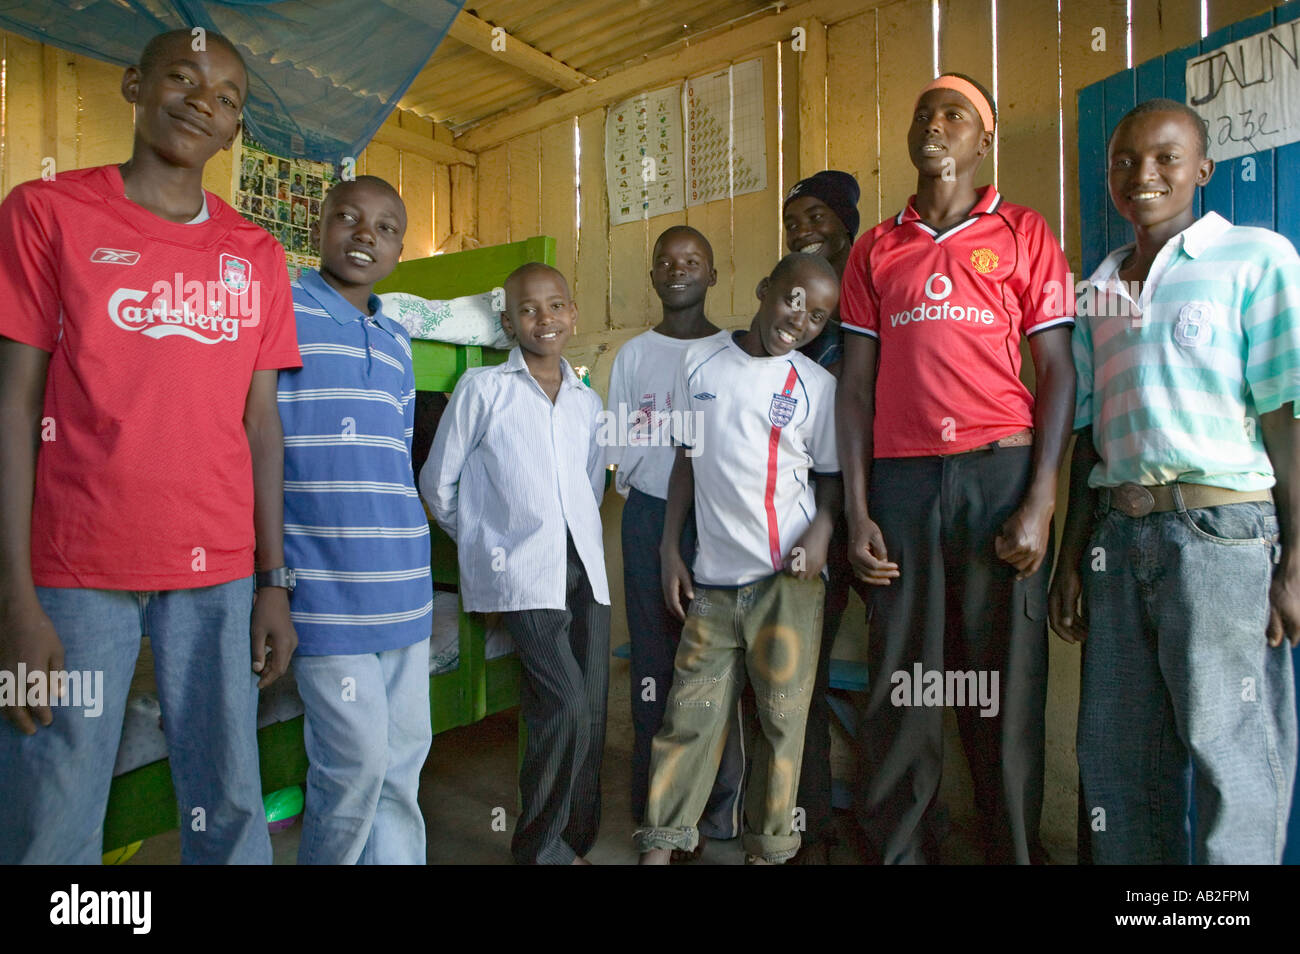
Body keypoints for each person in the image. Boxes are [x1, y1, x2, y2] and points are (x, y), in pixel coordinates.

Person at [0, 29, 301, 864]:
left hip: (219, 567)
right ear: (134, 86)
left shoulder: (256, 254)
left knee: (232, 793)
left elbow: (261, 427)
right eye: (183, 77)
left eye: (229, 98)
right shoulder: (45, 212)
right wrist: (14, 599)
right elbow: (14, 405)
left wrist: (272, 581)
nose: (205, 101)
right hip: (72, 567)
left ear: (236, 132)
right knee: (50, 797)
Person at [1049, 98, 1300, 864]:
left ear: (1202, 170)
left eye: (1165, 158)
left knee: (1232, 754)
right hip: (1118, 542)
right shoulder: (1095, 288)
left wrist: (1296, 558)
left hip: (1221, 536)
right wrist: (1071, 560)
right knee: (1121, 764)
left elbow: (1286, 416)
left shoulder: (1257, 257)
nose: (1144, 175)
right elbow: (1087, 440)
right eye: (1125, 161)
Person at [837, 73, 1076, 864]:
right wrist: (859, 511)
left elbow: (1059, 372)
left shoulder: (1023, 231)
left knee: (1002, 686)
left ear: (986, 137)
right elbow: (857, 387)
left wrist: (1041, 501)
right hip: (902, 483)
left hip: (997, 474)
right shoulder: (877, 247)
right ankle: (901, 850)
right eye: (923, 114)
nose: (934, 126)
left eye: (955, 115)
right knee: (903, 681)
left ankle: (1011, 849)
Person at [636, 252, 842, 865]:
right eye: (792, 299)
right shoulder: (699, 363)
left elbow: (829, 478)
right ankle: (662, 842)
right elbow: (684, 464)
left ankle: (771, 848)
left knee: (782, 723)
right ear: (764, 287)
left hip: (788, 580)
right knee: (688, 718)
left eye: (819, 315)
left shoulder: (816, 386)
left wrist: (822, 532)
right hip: (713, 582)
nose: (800, 319)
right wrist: (672, 549)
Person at [421, 263, 609, 865]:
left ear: (573, 314)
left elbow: (590, 483)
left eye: (556, 306)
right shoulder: (483, 390)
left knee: (593, 705)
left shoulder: (586, 400)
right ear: (507, 322)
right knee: (564, 702)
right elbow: (437, 483)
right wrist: (485, 545)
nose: (544, 318)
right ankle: (539, 849)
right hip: (522, 573)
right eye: (528, 309)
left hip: (583, 566)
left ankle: (577, 837)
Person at [277, 175, 433, 864]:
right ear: (319, 227)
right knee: (355, 767)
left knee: (402, 767)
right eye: (348, 217)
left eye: (386, 227)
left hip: (403, 586)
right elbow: (257, 443)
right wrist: (272, 578)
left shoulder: (397, 342)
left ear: (399, 250)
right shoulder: (281, 312)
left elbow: (393, 461)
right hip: (324, 590)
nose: (365, 234)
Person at [606, 225, 746, 859]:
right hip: (647, 517)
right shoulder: (634, 355)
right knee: (653, 667)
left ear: (712, 274)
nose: (678, 268)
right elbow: (617, 445)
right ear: (654, 276)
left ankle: (716, 811)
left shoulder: (735, 351)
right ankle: (653, 807)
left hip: (716, 520)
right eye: (666, 261)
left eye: (693, 259)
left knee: (714, 667)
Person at [782, 170, 873, 862]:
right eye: (793, 220)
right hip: (806, 518)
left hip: (883, 507)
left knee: (907, 666)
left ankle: (893, 821)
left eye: (817, 216)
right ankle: (810, 822)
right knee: (798, 673)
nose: (804, 228)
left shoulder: (875, 301)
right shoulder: (789, 319)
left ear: (847, 225)